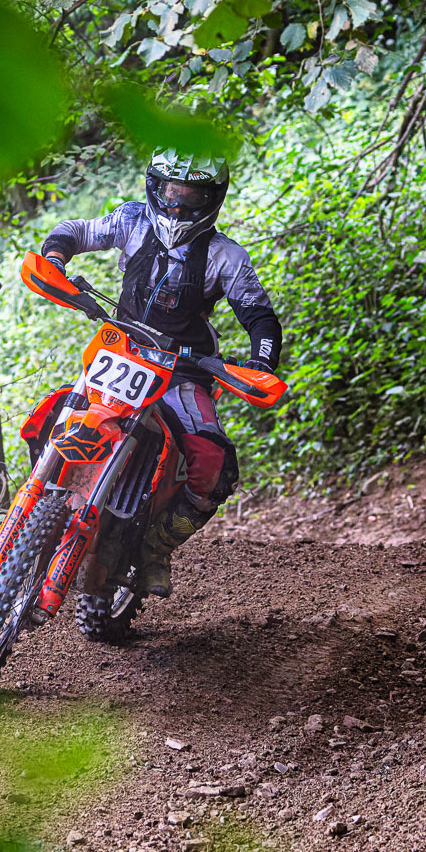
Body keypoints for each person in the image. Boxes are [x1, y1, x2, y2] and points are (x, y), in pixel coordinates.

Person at [40, 150, 283, 598]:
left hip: (184, 369)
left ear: (211, 199)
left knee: (213, 466)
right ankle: (47, 497)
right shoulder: (132, 220)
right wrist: (55, 256)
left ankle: (156, 548)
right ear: (156, 187)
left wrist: (260, 363)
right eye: (171, 192)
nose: (176, 205)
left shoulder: (225, 256)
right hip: (121, 351)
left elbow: (260, 316)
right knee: (51, 412)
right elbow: (77, 230)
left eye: (190, 197)